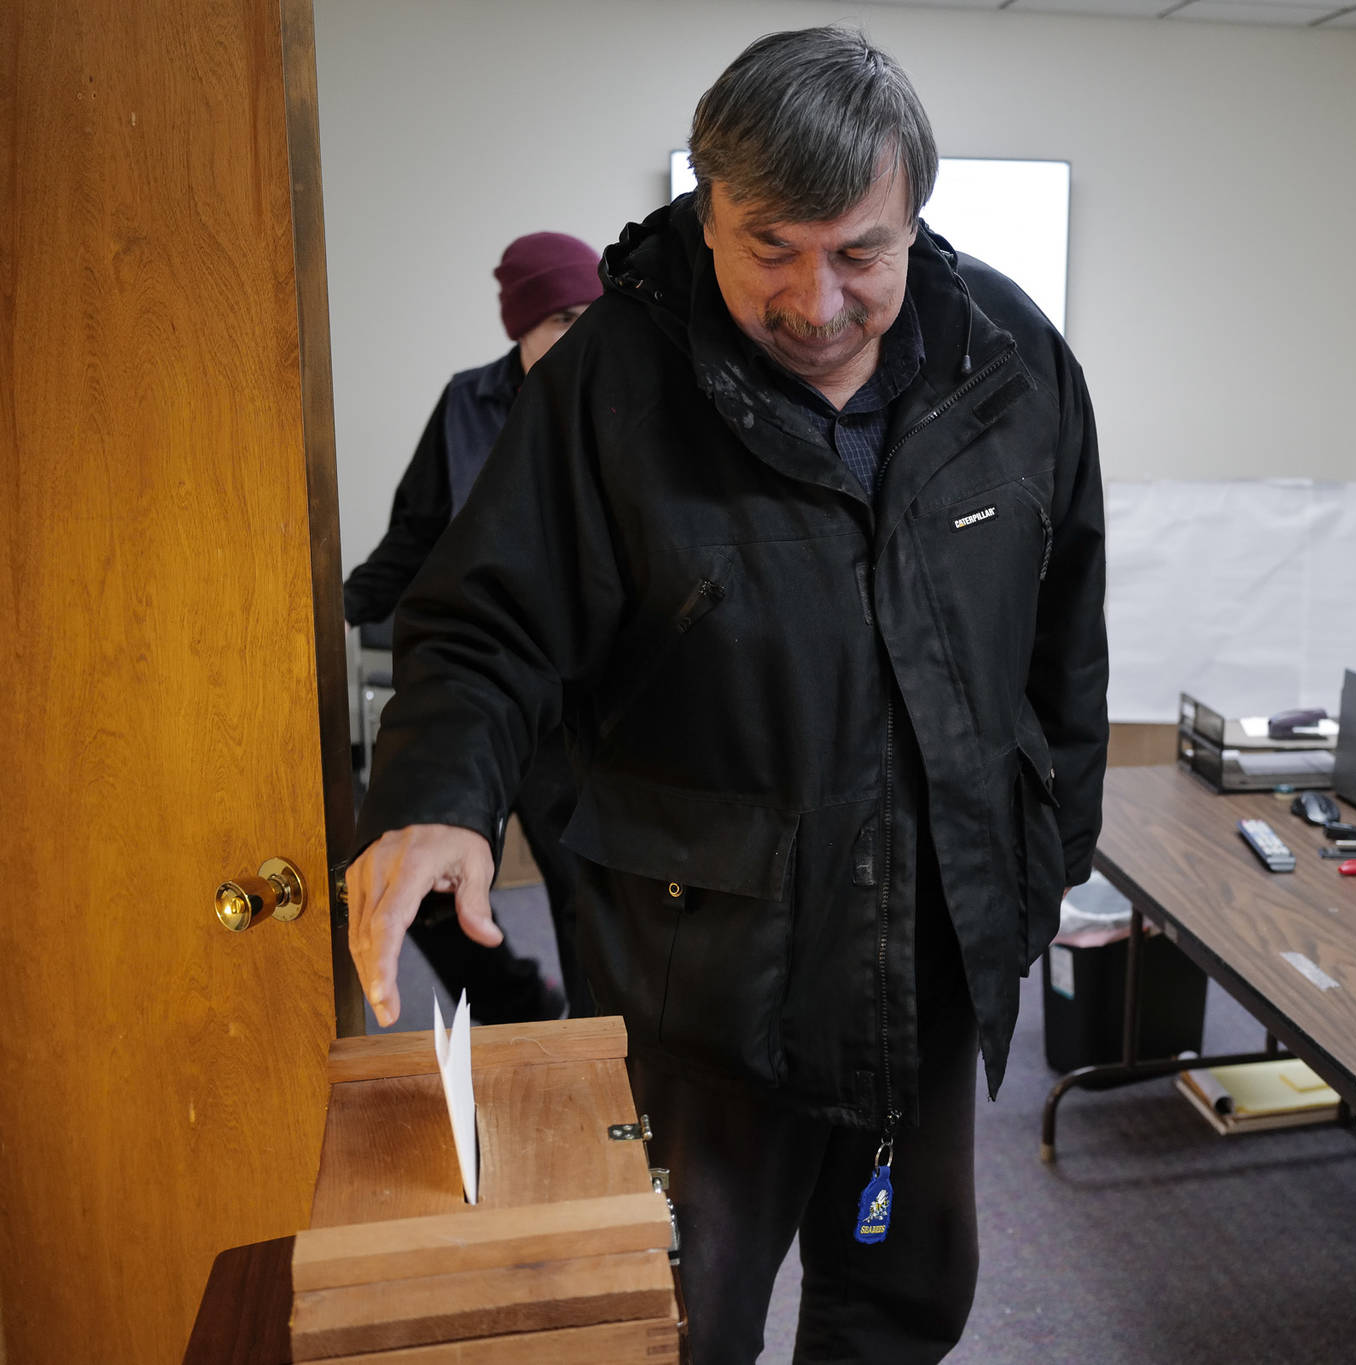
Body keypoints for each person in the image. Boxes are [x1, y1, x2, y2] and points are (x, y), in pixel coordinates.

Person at [347, 27, 1107, 1364]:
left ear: (914, 218)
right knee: (679, 1320)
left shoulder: (1015, 364)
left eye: (860, 252)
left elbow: (1063, 643)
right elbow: (483, 622)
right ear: (706, 209)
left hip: (930, 948)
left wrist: (1040, 865)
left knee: (903, 1299)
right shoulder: (610, 382)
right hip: (704, 967)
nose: (817, 304)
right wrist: (437, 797)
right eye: (770, 247)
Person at [343, 231, 605, 1024]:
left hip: (577, 711)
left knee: (589, 904)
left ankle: (606, 1067)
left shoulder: (613, 404)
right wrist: (326, 612)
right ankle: (520, 1005)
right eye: (561, 318)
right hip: (480, 704)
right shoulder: (465, 403)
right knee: (410, 875)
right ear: (518, 327)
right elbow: (416, 539)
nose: (580, 335)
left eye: (594, 315)